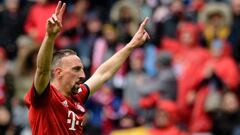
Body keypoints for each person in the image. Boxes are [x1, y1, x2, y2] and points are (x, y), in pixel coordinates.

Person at [24, 1, 150, 135]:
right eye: (76, 69)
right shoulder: (45, 97)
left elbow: (103, 74)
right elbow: (42, 70)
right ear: (59, 72)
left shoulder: (77, 96)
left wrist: (131, 45)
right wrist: (50, 37)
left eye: (82, 69)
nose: (83, 75)